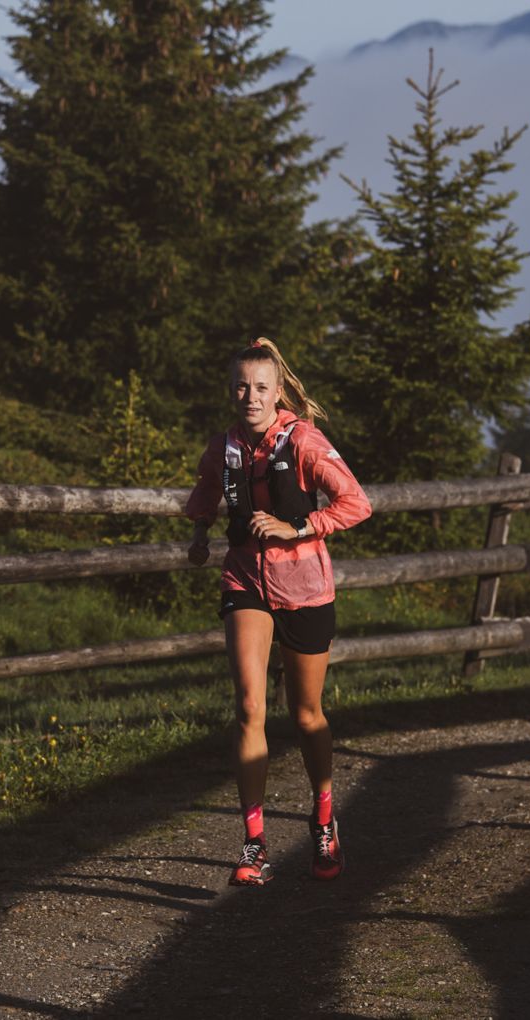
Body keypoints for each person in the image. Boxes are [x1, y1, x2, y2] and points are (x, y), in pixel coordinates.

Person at [185, 337, 371, 885]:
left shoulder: (304, 441)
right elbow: (206, 489)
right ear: (231, 390)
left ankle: (324, 819)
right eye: (241, 387)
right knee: (249, 707)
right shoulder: (224, 446)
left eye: (260, 387)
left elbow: (356, 503)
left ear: (277, 391)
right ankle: (253, 845)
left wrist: (298, 527)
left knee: (306, 714)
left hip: (305, 587)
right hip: (245, 578)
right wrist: (200, 533)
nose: (250, 396)